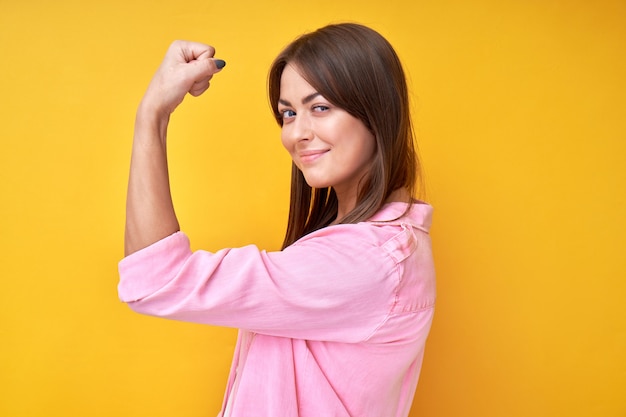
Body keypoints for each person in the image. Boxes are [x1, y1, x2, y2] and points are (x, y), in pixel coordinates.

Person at [118, 23, 435, 417]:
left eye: (320, 107)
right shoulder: (386, 247)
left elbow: (154, 280)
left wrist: (153, 114)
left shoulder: (367, 262)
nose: (296, 134)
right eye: (288, 113)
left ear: (377, 111)